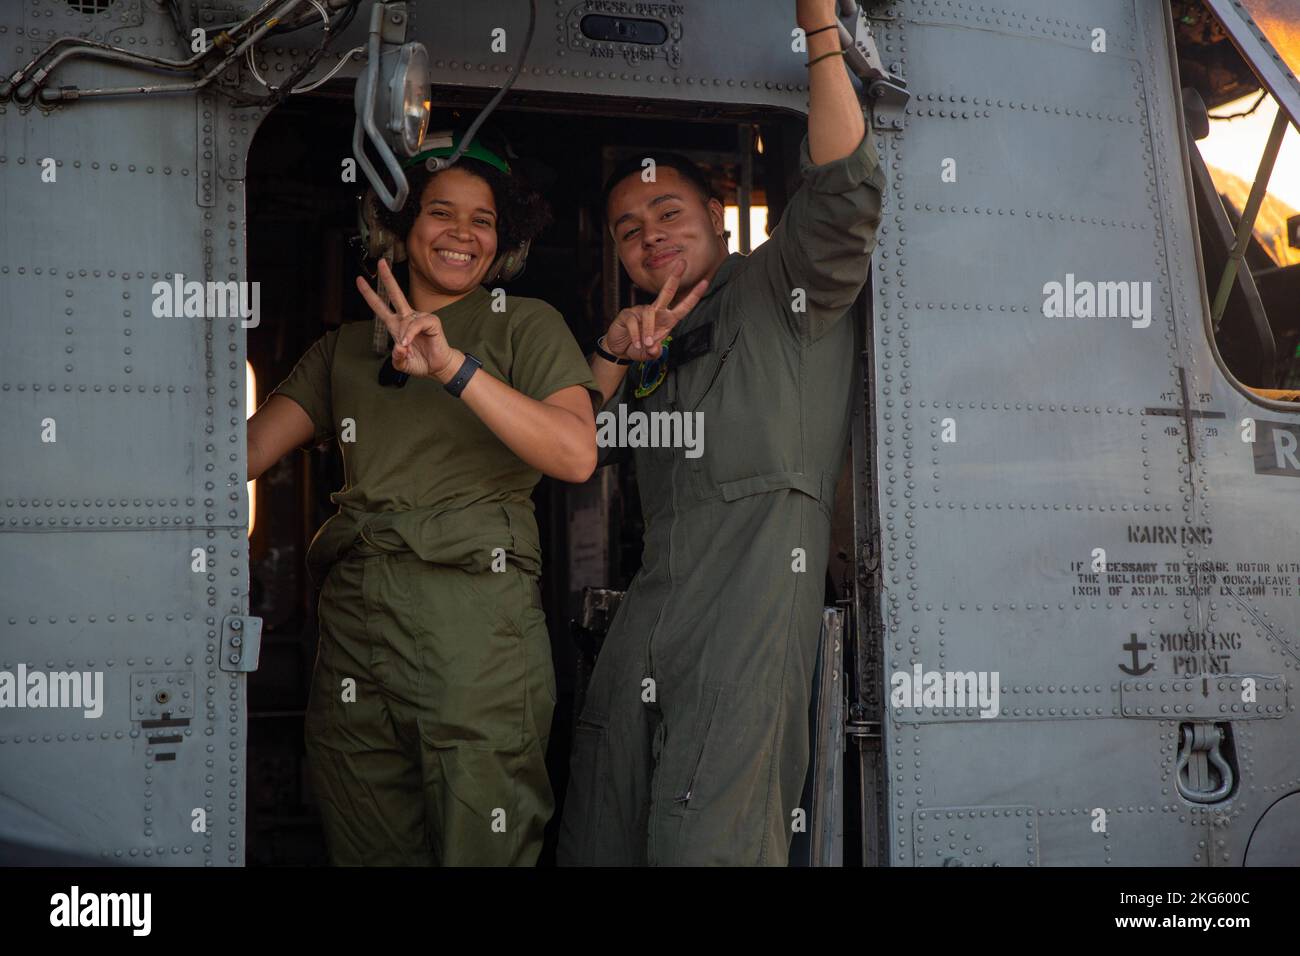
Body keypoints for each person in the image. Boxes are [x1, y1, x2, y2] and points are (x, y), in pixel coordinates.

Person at [557, 0, 886, 866]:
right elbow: (570, 453)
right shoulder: (645, 338)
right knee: (605, 812)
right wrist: (610, 353)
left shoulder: (781, 280)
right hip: (658, 592)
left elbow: (846, 188)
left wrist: (820, 32)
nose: (649, 236)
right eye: (630, 228)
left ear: (718, 209)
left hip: (753, 587)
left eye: (668, 212)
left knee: (715, 827)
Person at [247, 132, 599, 865]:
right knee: (362, 826)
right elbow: (241, 457)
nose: (463, 234)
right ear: (401, 229)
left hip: (473, 617)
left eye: (483, 220)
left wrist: (450, 367)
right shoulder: (343, 348)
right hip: (353, 617)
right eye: (442, 213)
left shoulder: (526, 325)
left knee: (483, 830)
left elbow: (574, 453)